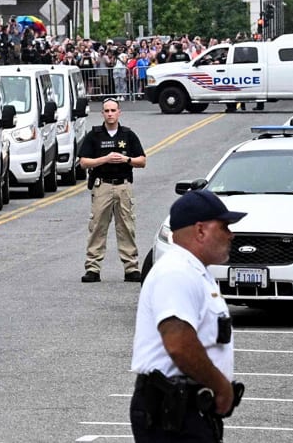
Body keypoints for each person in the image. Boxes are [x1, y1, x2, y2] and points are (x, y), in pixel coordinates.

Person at [130, 190, 245, 441]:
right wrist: (220, 386)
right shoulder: (177, 272)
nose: (231, 234)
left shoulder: (195, 272)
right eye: (224, 226)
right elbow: (179, 343)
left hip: (187, 408)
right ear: (201, 230)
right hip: (172, 410)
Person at [78, 98, 148, 282]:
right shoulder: (95, 135)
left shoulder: (128, 135)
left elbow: (142, 160)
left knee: (126, 226)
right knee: (97, 226)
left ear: (119, 113)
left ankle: (131, 268)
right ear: (102, 113)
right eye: (106, 110)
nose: (110, 114)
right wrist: (105, 159)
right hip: (102, 185)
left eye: (113, 110)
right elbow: (83, 162)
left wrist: (126, 160)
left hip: (123, 186)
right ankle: (93, 268)